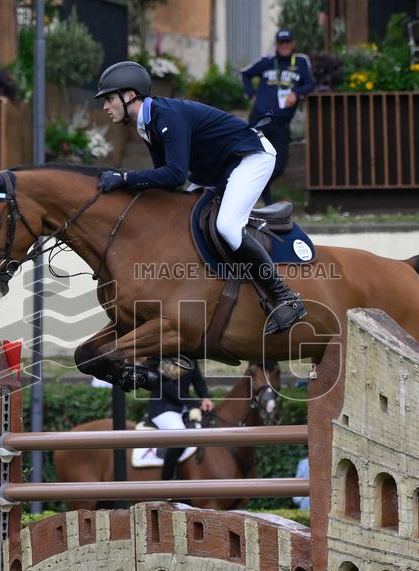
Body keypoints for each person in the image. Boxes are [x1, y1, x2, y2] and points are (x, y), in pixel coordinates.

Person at [94, 60, 307, 335]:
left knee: (227, 226)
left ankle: (286, 297)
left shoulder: (165, 116)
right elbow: (165, 182)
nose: (105, 106)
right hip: (218, 169)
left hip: (252, 157)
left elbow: (174, 175)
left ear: (130, 95)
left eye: (109, 98)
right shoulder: (145, 124)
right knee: (178, 219)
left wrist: (124, 179)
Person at [241, 28, 315, 205]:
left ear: (293, 44)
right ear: (276, 44)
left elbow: (310, 84)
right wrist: (251, 94)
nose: (284, 46)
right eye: (281, 43)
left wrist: (296, 92)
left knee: (279, 165)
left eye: (287, 42)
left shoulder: (301, 61)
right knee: (254, 157)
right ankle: (263, 201)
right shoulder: (267, 61)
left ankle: (260, 188)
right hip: (260, 119)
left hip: (282, 123)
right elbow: (245, 73)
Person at [147, 361, 215, 480]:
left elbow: (197, 380)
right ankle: (166, 483)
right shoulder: (164, 356)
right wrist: (197, 403)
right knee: (181, 436)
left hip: (182, 409)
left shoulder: (190, 357)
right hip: (163, 409)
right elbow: (169, 388)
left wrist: (205, 397)